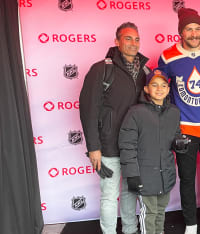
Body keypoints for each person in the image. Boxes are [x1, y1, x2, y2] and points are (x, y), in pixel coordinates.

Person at [157, 7, 200, 234]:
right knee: (186, 179)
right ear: (181, 33)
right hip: (184, 130)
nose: (194, 34)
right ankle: (191, 223)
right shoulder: (168, 56)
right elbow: (158, 86)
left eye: (197, 29)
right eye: (189, 29)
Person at [79, 22, 150, 234]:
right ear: (117, 41)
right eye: (128, 38)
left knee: (130, 192)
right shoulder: (101, 69)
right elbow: (89, 109)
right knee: (110, 195)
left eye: (136, 39)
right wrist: (93, 147)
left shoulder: (145, 71)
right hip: (108, 146)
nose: (133, 43)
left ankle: (130, 230)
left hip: (134, 146)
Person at [119, 70, 183, 234]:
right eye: (154, 85)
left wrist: (180, 143)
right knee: (149, 213)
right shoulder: (136, 112)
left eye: (163, 85)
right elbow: (127, 145)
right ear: (146, 89)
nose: (159, 89)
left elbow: (175, 137)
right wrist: (132, 174)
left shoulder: (174, 112)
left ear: (168, 90)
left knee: (161, 211)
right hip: (145, 176)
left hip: (165, 174)